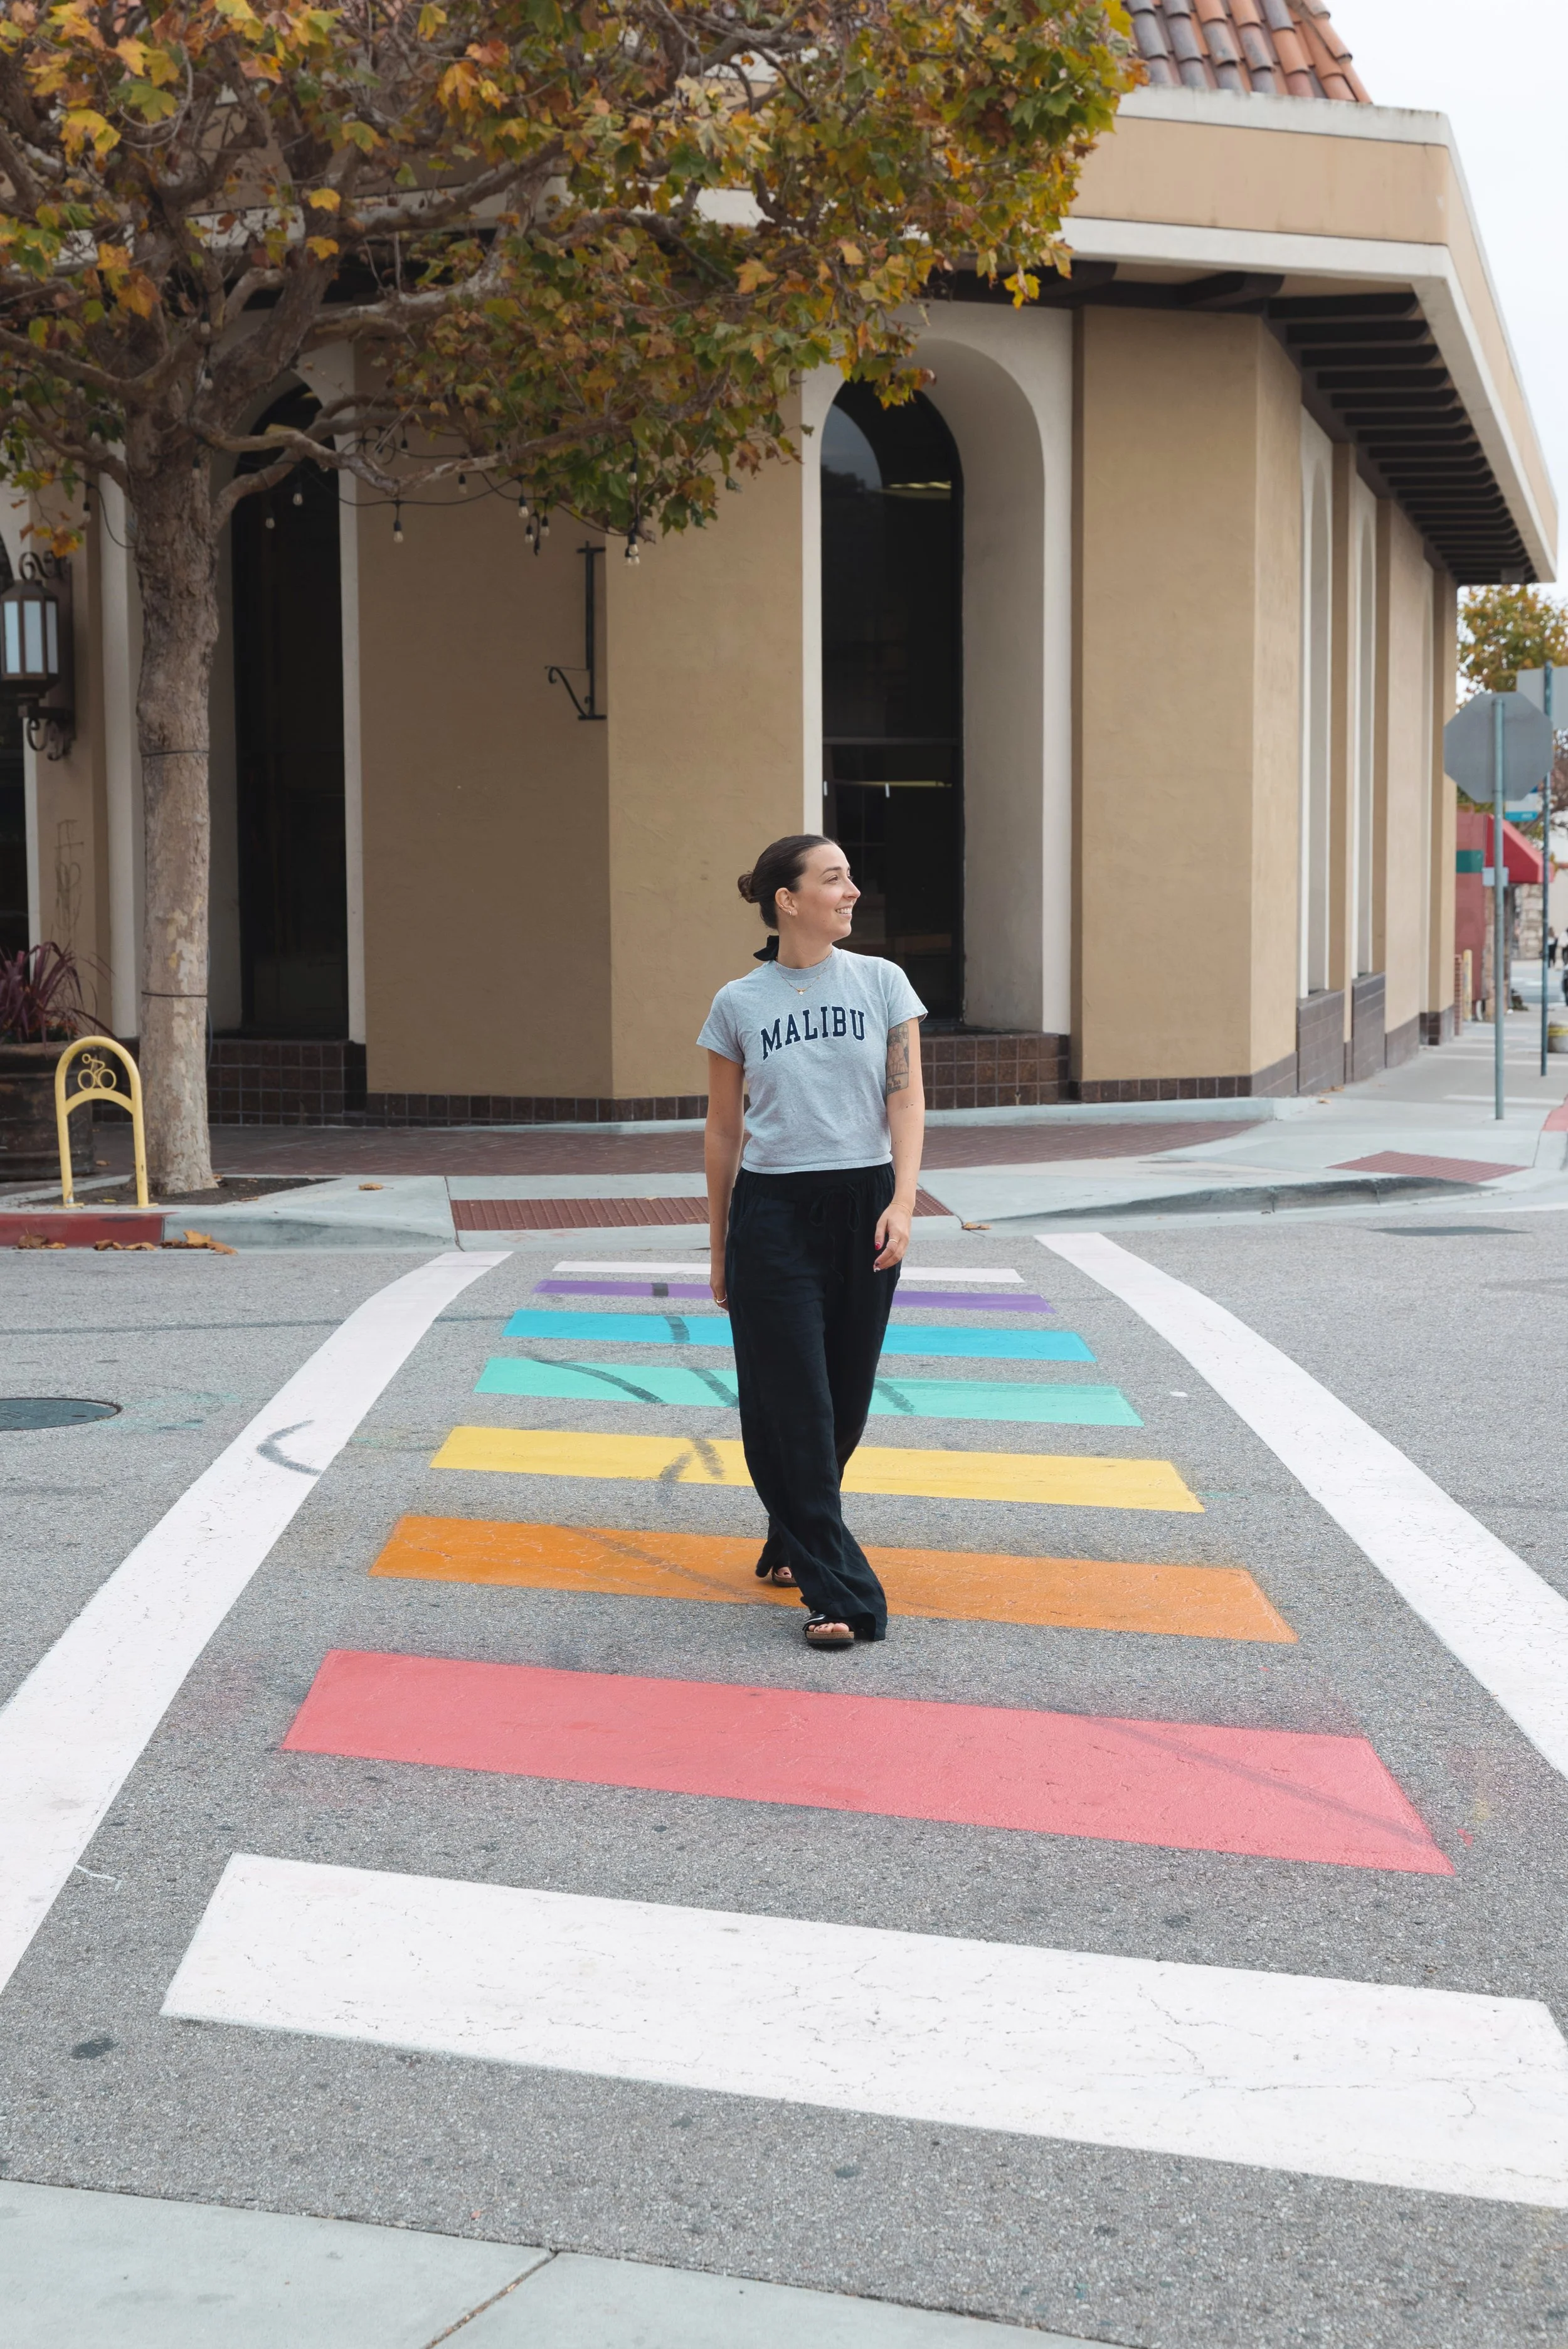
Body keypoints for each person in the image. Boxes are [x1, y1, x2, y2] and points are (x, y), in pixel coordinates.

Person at [699, 835, 925, 1650]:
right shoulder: (738, 1004)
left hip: (862, 1197)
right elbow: (723, 1132)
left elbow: (906, 1103)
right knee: (790, 1399)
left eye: (851, 879)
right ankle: (839, 1595)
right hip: (773, 1211)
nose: (852, 892)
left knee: (844, 1398)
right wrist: (721, 1247)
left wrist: (903, 1202)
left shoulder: (883, 984)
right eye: (834, 880)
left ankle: (789, 1533)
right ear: (787, 901)